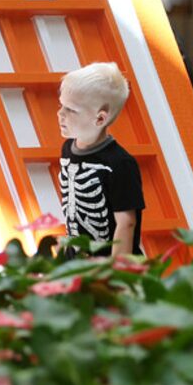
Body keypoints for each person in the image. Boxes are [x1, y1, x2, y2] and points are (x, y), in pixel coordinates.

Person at [56, 62, 144, 256]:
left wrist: (115, 271)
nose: (60, 113)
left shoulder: (120, 163)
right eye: (61, 105)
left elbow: (127, 222)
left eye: (71, 109)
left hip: (107, 265)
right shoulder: (67, 149)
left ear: (100, 119)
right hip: (75, 260)